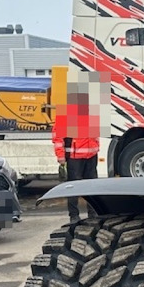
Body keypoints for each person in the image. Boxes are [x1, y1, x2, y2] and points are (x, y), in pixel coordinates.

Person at [51, 88, 100, 221]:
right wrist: (60, 157)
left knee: (92, 187)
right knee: (73, 187)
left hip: (91, 156)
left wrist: (96, 148)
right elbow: (57, 137)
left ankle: (93, 213)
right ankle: (74, 215)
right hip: (75, 157)